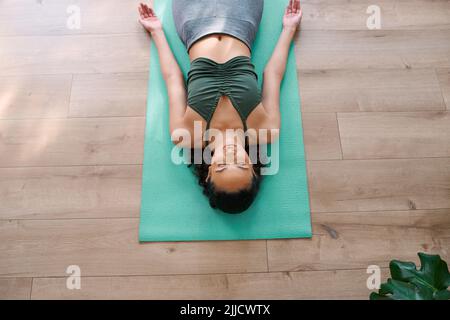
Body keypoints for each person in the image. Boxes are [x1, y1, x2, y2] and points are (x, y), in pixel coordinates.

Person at [138, 0, 302, 213]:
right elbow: (273, 74)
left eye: (222, 166)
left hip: (193, 21)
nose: (231, 156)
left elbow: (172, 79)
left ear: (208, 174)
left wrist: (156, 31)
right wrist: (289, 28)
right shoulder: (265, 129)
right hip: (242, 20)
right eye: (241, 165)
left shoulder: (185, 135)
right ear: (253, 168)